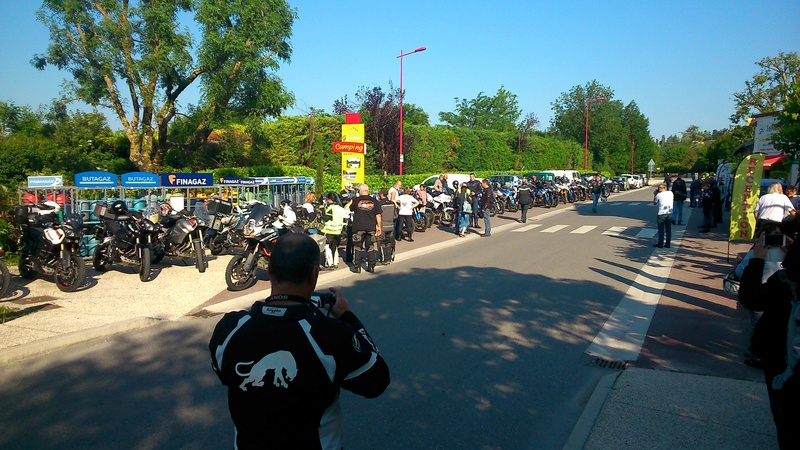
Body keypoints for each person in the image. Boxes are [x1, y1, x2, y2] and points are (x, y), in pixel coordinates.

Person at [209, 233, 390, 449]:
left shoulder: (229, 329)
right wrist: (349, 318)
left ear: (269, 271)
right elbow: (376, 382)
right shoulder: (330, 335)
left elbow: (228, 375)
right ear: (314, 274)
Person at [738, 235, 800, 449]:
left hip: (780, 355)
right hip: (783, 354)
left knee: (784, 417)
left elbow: (750, 298)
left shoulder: (785, 281)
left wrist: (757, 259)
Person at [345, 183, 382, 273]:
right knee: (370, 247)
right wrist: (379, 227)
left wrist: (351, 202)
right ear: (367, 191)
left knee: (357, 246)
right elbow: (378, 215)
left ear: (360, 191)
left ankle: (357, 267)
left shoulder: (356, 200)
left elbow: (350, 209)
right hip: (371, 227)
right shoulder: (374, 200)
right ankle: (371, 266)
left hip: (358, 227)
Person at [319, 193, 346, 270]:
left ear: (330, 200)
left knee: (327, 247)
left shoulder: (331, 208)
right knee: (334, 247)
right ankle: (335, 262)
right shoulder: (340, 208)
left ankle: (330, 264)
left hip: (329, 230)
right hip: (338, 231)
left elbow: (326, 217)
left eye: (328, 199)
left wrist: (322, 209)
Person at [377, 188, 397, 264]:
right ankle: (389, 258)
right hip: (391, 226)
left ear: (381, 194)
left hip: (382, 226)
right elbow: (395, 216)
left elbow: (377, 215)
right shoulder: (392, 203)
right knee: (389, 242)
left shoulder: (379, 204)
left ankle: (383, 259)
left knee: (381, 242)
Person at [653, 183, 674, 248]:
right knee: (668, 229)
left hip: (661, 213)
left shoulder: (658, 195)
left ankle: (660, 243)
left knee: (661, 229)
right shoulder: (670, 193)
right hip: (669, 212)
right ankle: (668, 243)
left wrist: (655, 195)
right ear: (664, 188)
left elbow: (654, 203)